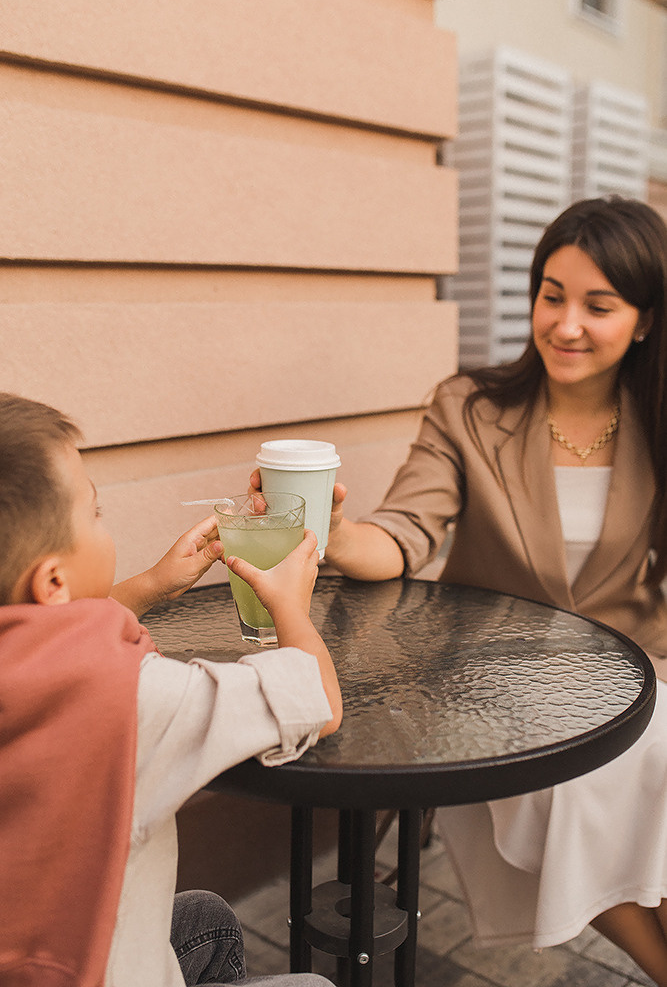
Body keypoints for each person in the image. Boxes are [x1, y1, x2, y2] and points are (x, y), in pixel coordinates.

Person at [311, 196, 667, 985]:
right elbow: (404, 529)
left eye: (598, 306)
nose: (565, 325)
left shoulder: (658, 419)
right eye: (551, 295)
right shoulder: (468, 408)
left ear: (643, 321)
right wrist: (333, 534)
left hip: (633, 672)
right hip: (491, 679)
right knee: (579, 790)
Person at [0, 392, 342, 987]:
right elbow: (318, 700)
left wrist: (152, 584)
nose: (103, 521)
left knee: (204, 919)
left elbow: (45, 635)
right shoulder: (129, 700)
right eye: (96, 512)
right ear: (54, 580)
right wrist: (290, 603)